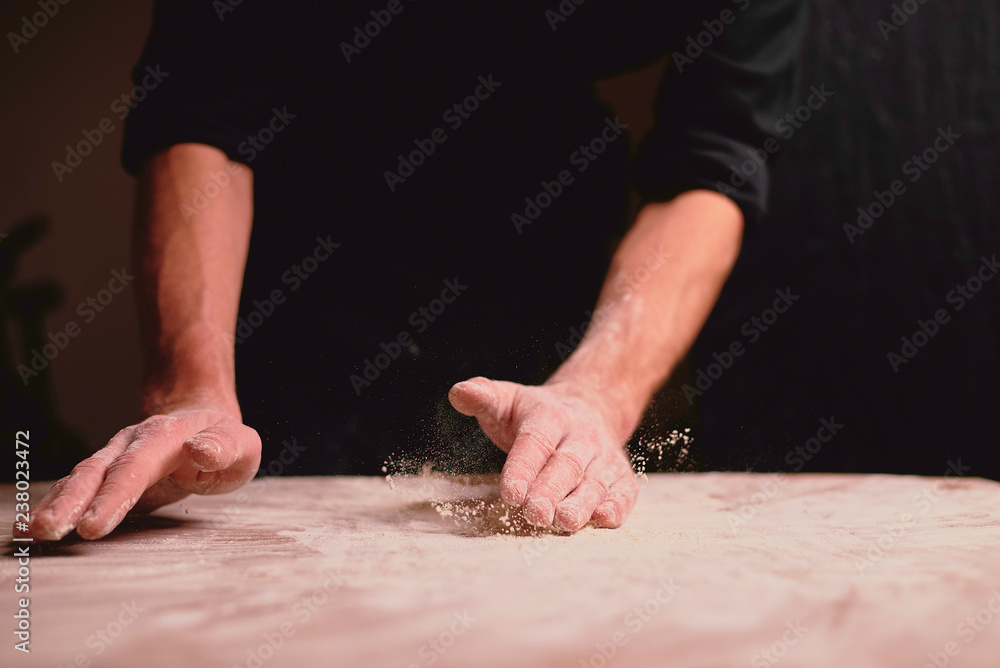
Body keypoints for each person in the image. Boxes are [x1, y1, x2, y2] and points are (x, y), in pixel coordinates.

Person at [26, 0, 807, 540]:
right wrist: (193, 389)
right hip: (304, 247)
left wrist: (595, 394)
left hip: (545, 227)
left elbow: (714, 157)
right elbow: (203, 97)